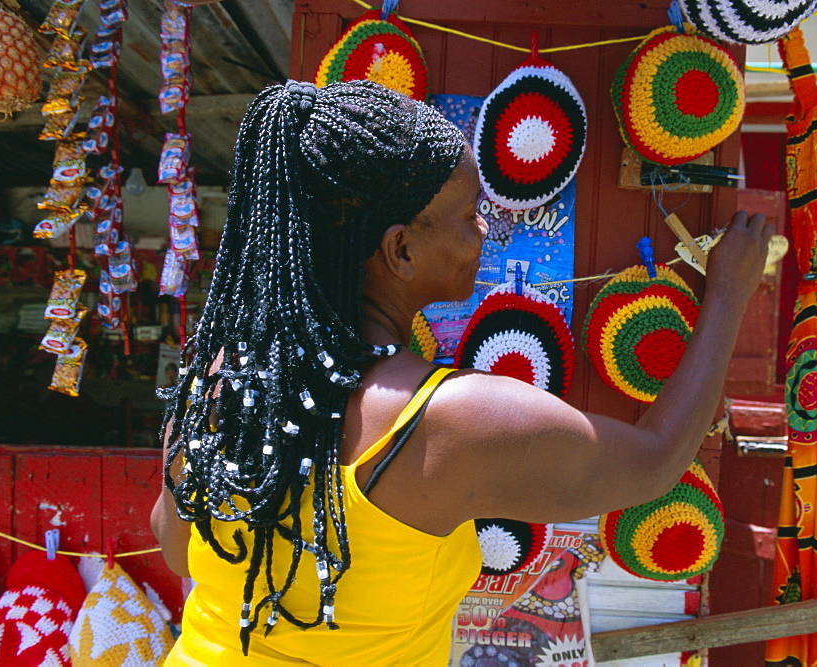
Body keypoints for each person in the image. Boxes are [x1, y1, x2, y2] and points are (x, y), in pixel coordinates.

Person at [151, 79, 772, 665]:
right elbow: (656, 462)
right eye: (470, 211)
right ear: (401, 250)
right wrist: (728, 296)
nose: (485, 228)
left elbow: (178, 548)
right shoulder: (447, 420)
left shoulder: (224, 380)